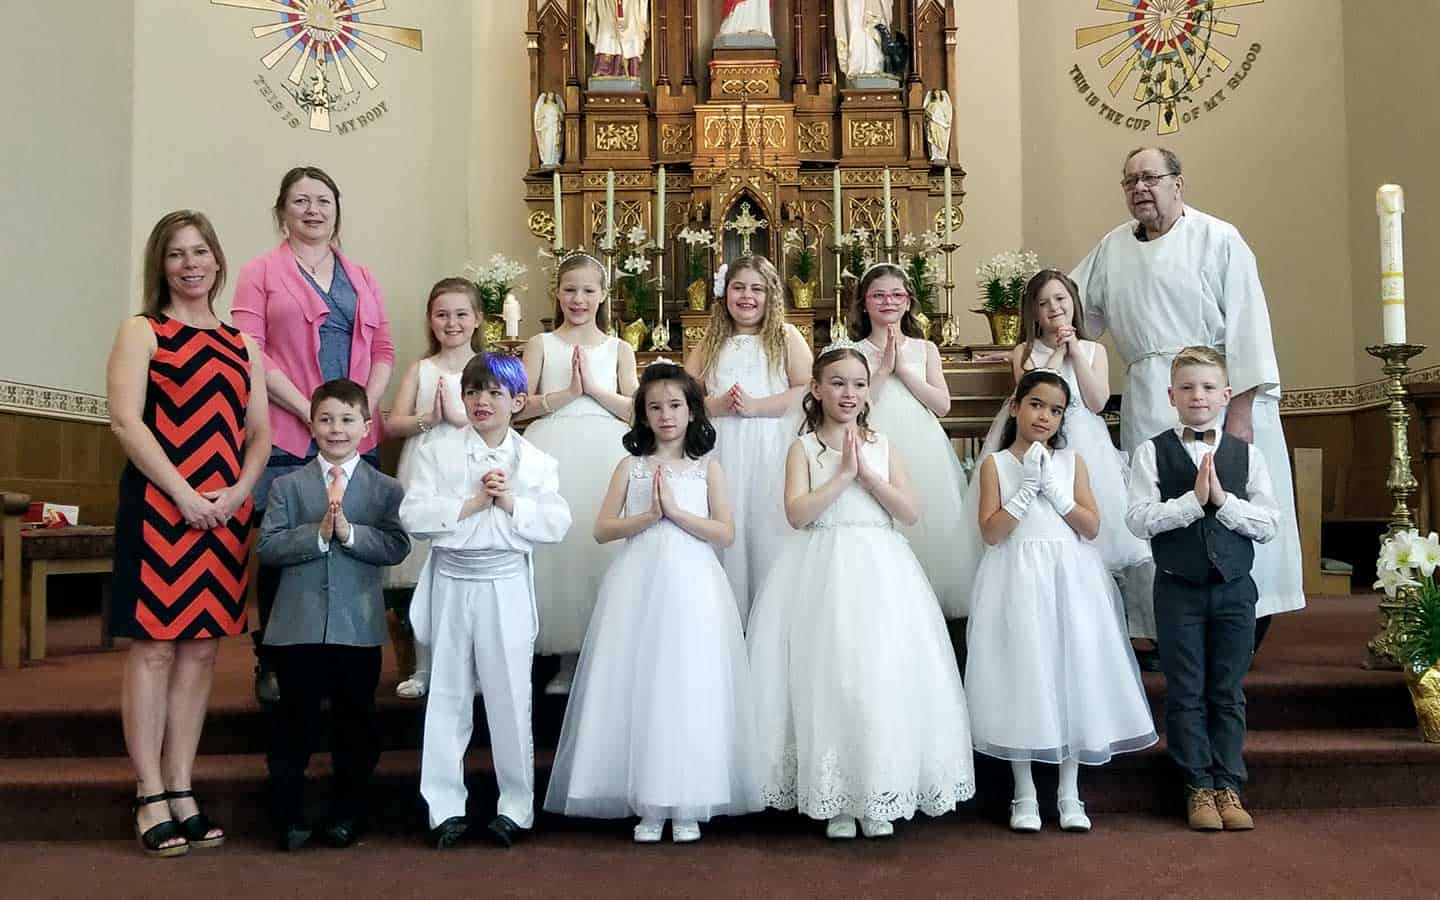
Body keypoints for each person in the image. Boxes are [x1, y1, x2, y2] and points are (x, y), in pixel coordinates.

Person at [1071, 147, 1303, 651]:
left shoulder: (1218, 238)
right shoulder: (1112, 247)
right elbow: (1074, 310)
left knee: (1230, 507)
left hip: (1217, 394)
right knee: (1160, 508)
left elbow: (1248, 326)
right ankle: (1167, 632)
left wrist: (1239, 414)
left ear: (1179, 183)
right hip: (1147, 393)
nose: (1140, 188)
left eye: (1151, 178)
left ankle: (1245, 625)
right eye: (1130, 180)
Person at [748, 346, 974, 840]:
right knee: (831, 675)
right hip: (820, 567)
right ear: (816, 390)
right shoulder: (802, 449)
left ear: (868, 391)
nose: (848, 393)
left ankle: (878, 789)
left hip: (880, 567)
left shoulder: (885, 445)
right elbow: (797, 513)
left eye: (857, 384)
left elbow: (909, 512)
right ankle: (836, 797)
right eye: (837, 383)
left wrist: (868, 475)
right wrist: (843, 476)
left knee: (879, 672)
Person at [108, 210, 270, 857]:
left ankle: (182, 787)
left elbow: (257, 433)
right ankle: (148, 791)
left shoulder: (241, 344)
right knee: (154, 649)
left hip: (222, 513)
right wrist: (182, 494)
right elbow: (125, 421)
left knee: (202, 651)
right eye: (177, 254)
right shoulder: (143, 331)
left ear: (217, 260)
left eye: (200, 251)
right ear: (162, 265)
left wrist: (234, 494)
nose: (190, 263)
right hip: (158, 507)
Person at [546, 364, 759, 843]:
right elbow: (603, 528)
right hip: (638, 583)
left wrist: (678, 513)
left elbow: (725, 532)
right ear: (642, 415)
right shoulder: (631, 467)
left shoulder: (709, 469)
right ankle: (646, 800)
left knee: (687, 683)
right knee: (642, 681)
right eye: (655, 407)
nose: (666, 415)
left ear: (692, 412)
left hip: (694, 585)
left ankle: (687, 798)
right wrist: (647, 515)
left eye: (675, 406)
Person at [965, 370, 1156, 833]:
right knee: (1024, 673)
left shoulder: (1071, 462)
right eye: (1035, 405)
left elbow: (1091, 527)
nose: (1044, 416)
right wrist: (1026, 490)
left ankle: (1070, 791)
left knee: (1072, 672)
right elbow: (991, 533)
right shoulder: (996, 465)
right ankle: (1025, 792)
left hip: (1070, 577)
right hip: (1016, 575)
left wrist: (1052, 489)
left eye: (1054, 409)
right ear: (1016, 407)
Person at [233, 165, 397, 704]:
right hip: (285, 428)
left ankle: (343, 659)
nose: (312, 210)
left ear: (336, 210)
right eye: (300, 201)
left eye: (322, 200)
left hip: (353, 434)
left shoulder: (362, 276)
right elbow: (249, 349)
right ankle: (275, 660)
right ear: (282, 211)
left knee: (349, 542)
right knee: (287, 545)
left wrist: (357, 414)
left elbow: (383, 352)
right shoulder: (260, 271)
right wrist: (312, 412)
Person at [400, 353, 572, 849]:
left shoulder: (537, 462)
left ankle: (515, 806)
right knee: (448, 696)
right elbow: (414, 515)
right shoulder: (438, 453)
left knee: (510, 696)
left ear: (518, 402)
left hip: (505, 582)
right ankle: (444, 806)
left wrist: (510, 500)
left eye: (495, 393)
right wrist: (473, 503)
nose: (481, 401)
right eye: (473, 391)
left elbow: (556, 523)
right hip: (454, 580)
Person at [1126, 347, 1279, 832]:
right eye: (1188, 387)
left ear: (1226, 395)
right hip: (1178, 590)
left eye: (1209, 387)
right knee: (1186, 690)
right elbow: (1138, 519)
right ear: (1171, 395)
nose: (1198, 395)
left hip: (1235, 589)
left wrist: (1222, 502)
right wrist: (1191, 504)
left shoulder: (1248, 455)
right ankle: (1197, 786)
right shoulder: (1152, 451)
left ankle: (1229, 784)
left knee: (1227, 690)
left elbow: (1269, 523)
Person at [256, 378, 409, 851]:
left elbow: (396, 545)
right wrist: (317, 534)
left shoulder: (385, 490)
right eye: (326, 419)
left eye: (347, 420)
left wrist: (350, 535)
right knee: (293, 724)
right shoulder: (287, 485)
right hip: (295, 628)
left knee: (354, 725)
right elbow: (268, 546)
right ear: (311, 425)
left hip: (356, 628)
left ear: (366, 427)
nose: (336, 429)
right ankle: (288, 814)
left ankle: (348, 811)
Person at [954, 270, 1152, 637]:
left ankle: (1099, 626)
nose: (1053, 308)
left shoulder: (1094, 350)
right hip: (1035, 444)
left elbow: (1095, 401)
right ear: (1034, 313)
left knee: (1090, 536)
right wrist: (1058, 352)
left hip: (1083, 447)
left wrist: (1076, 350)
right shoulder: (1024, 352)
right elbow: (1037, 390)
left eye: (1059, 299)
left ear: (1073, 302)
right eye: (1043, 304)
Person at [519, 252, 638, 694]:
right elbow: (519, 404)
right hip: (553, 449)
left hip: (605, 451)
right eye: (570, 289)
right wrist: (567, 394)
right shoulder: (542, 344)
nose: (579, 299)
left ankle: (605, 658)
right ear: (558, 293)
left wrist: (593, 390)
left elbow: (635, 409)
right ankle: (566, 661)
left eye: (589, 290)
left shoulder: (618, 348)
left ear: (603, 295)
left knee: (599, 549)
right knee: (560, 553)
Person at [684, 256, 811, 619]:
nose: (747, 296)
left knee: (768, 523)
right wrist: (716, 405)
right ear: (725, 293)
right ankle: (728, 615)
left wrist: (757, 406)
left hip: (772, 442)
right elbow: (684, 395)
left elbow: (806, 390)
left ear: (770, 295)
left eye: (757, 289)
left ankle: (771, 616)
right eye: (738, 287)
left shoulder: (786, 337)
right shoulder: (713, 338)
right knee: (729, 518)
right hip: (723, 445)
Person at [384, 278, 484, 699]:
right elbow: (393, 423)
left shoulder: (489, 367)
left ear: (478, 319)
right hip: (426, 469)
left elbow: (505, 416)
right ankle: (423, 667)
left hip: (472, 472)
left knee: (473, 574)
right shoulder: (421, 369)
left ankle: (473, 670)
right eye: (442, 314)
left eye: (462, 314)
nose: (452, 322)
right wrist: (432, 417)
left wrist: (464, 419)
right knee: (428, 574)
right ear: (430, 320)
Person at [853, 263, 970, 619]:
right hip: (876, 442)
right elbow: (854, 406)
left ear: (908, 302)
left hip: (922, 445)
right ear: (864, 303)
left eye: (896, 294)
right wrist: (883, 370)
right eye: (878, 294)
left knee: (927, 515)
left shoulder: (925, 349)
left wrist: (903, 369)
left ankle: (928, 606)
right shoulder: (852, 350)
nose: (888, 301)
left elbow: (942, 405)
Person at [584, 0, 648, 77]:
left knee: (630, 33)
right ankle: (604, 71)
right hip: (607, 11)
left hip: (630, 12)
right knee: (606, 37)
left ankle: (626, 72)